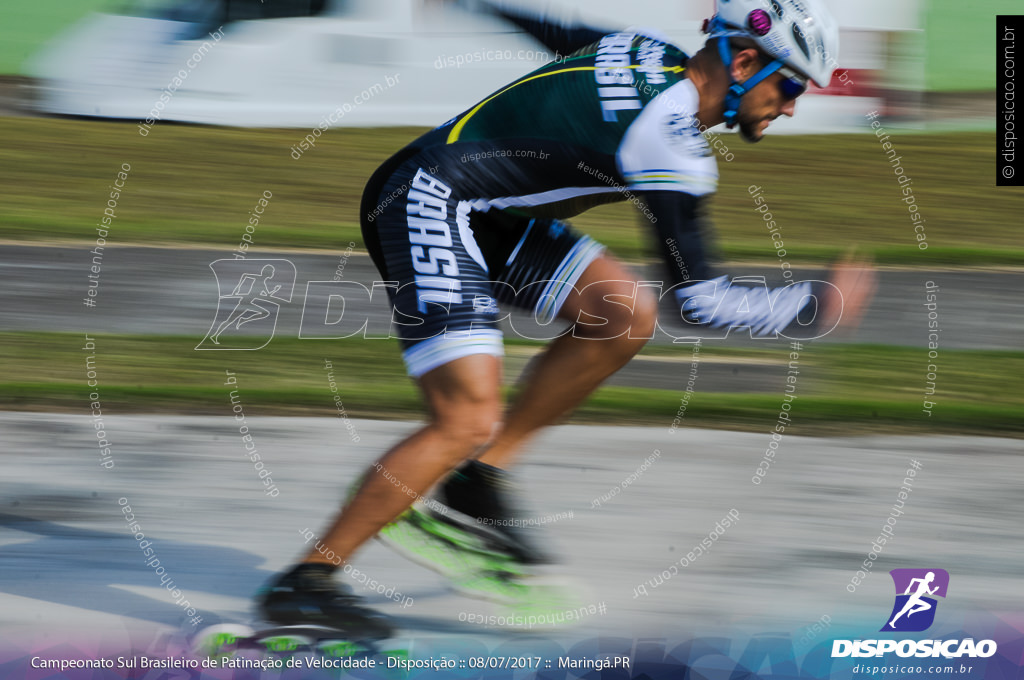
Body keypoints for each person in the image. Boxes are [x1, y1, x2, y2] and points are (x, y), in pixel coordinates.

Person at [258, 0, 874, 637]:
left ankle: (479, 478)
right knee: (465, 417)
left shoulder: (644, 49)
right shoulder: (670, 136)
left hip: (485, 211)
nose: (793, 105)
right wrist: (811, 307)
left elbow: (561, 35)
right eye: (791, 86)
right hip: (427, 200)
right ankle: (308, 582)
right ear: (744, 61)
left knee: (625, 315)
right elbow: (695, 300)